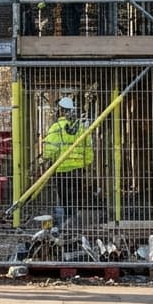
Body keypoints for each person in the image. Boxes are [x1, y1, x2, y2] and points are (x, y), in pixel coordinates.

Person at [40, 96, 93, 226]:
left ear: (60, 111)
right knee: (76, 197)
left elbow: (49, 150)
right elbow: (88, 148)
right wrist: (85, 163)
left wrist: (45, 158)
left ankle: (66, 223)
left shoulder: (56, 127)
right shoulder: (81, 128)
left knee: (64, 197)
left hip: (61, 170)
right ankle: (75, 222)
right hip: (78, 171)